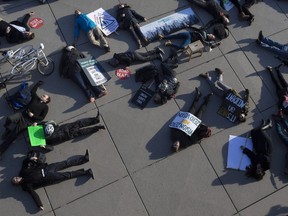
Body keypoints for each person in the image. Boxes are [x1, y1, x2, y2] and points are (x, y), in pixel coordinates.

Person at [11, 149, 94, 210]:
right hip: (49, 177)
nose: (16, 178)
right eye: (15, 180)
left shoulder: (22, 172)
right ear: (17, 183)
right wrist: (40, 205)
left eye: (15, 178)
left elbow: (24, 162)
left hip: (47, 168)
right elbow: (33, 195)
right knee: (68, 175)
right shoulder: (26, 186)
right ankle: (87, 172)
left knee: (66, 163)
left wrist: (30, 159)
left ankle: (84, 159)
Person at [0, 81, 50, 157]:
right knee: (9, 118)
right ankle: (7, 129)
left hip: (27, 121)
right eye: (43, 95)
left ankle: (1, 151)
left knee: (13, 135)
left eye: (44, 96)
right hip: (22, 114)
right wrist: (37, 84)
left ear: (46, 101)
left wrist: (33, 116)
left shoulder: (45, 108)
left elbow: (42, 117)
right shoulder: (35, 98)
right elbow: (33, 91)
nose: (42, 96)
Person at [34, 111, 105, 150]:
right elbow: (51, 148)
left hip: (68, 129)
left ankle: (96, 121)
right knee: (83, 130)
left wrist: (37, 123)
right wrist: (44, 147)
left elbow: (48, 123)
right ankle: (97, 127)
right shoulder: (46, 141)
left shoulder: (46, 130)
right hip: (68, 134)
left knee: (81, 124)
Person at [171, 87, 213, 152]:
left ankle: (198, 95)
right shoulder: (185, 144)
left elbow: (173, 128)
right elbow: (194, 140)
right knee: (201, 111)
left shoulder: (173, 136)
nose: (175, 144)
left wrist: (179, 120)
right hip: (194, 125)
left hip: (187, 120)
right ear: (178, 147)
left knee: (193, 107)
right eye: (176, 146)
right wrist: (189, 133)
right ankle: (207, 99)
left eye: (174, 145)